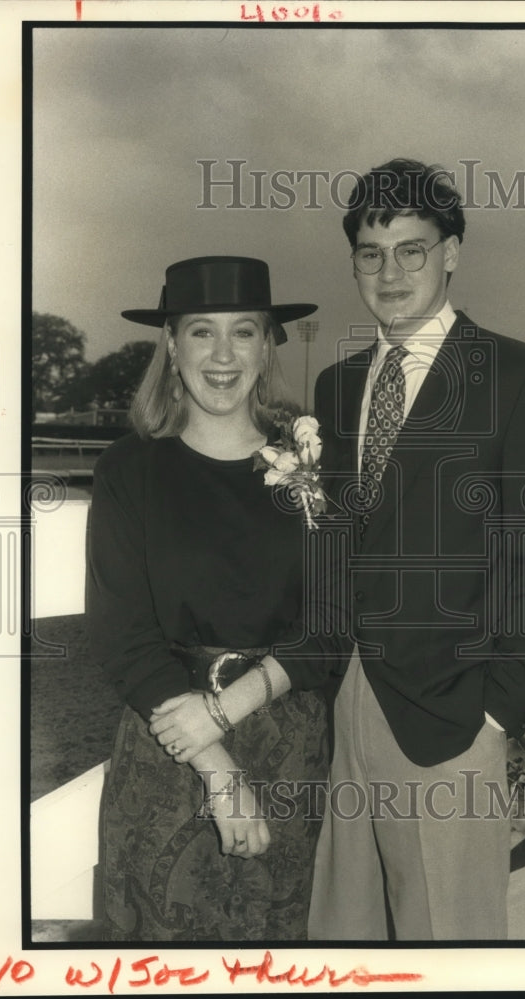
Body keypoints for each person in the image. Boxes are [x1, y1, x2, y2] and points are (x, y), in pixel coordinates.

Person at [306, 158, 525, 940]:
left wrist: (496, 708)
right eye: (370, 252)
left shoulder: (520, 375)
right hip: (345, 703)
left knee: (448, 940)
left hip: (452, 713)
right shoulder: (336, 387)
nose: (388, 271)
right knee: (343, 933)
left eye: (411, 249)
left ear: (451, 252)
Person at [86, 256, 331, 942]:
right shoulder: (129, 469)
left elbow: (337, 623)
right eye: (201, 332)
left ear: (267, 344)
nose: (223, 355)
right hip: (171, 735)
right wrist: (215, 765)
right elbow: (121, 632)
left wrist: (231, 706)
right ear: (170, 343)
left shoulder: (310, 466)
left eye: (244, 332)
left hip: (287, 736)